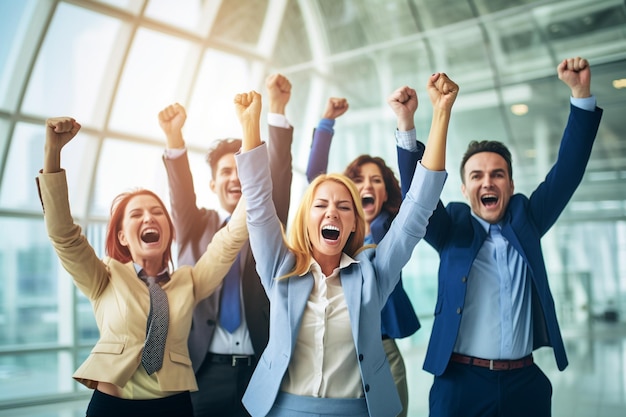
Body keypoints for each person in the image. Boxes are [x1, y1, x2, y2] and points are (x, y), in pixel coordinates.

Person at [234, 71, 457, 417]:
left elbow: (417, 210)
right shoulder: (279, 267)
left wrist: (441, 113)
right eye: (321, 206)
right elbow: (259, 207)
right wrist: (251, 127)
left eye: (343, 207)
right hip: (283, 410)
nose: (331, 214)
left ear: (356, 223)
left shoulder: (374, 273)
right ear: (306, 218)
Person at [396, 57, 603, 417]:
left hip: (525, 383)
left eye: (497, 174)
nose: (487, 182)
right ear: (464, 187)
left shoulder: (528, 218)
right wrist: (407, 125)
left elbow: (567, 172)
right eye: (476, 176)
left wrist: (580, 95)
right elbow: (419, 194)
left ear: (510, 184)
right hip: (460, 383)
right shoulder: (451, 228)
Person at [37, 117, 248, 417]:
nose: (149, 218)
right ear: (122, 236)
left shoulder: (188, 281)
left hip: (174, 407)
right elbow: (63, 235)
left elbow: (229, 240)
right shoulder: (105, 277)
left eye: (157, 212)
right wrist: (52, 152)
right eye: (136, 214)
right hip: (112, 407)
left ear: (168, 231)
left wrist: (250, 167)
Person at [158, 73, 294, 416]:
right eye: (225, 172)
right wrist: (174, 137)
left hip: (259, 368)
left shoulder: (268, 225)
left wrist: (275, 109)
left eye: (241, 170)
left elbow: (277, 174)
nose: (235, 178)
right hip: (203, 371)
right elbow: (180, 192)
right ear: (213, 184)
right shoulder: (194, 225)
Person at [305, 90, 426, 417]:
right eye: (358, 180)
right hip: (336, 346)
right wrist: (326, 121)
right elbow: (315, 179)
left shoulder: (393, 229)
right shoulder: (336, 233)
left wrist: (406, 122)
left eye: (376, 180)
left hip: (382, 346)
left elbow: (417, 194)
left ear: (386, 192)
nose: (367, 186)